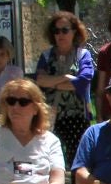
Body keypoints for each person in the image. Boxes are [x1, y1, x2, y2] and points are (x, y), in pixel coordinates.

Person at [32, 11, 97, 163]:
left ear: (74, 31)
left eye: (65, 30)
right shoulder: (46, 56)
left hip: (77, 116)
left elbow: (83, 82)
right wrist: (66, 78)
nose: (60, 34)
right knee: (48, 159)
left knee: (77, 160)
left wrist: (53, 82)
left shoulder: (83, 55)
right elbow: (39, 80)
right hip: (50, 116)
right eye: (56, 31)